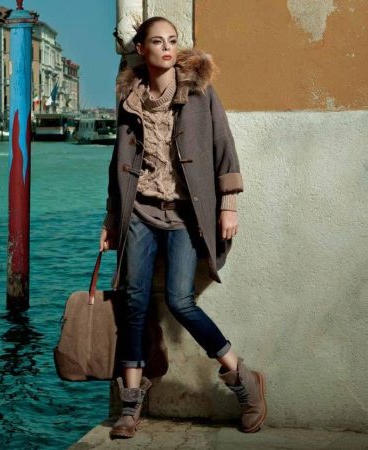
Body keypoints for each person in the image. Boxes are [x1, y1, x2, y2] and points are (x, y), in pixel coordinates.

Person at [99, 16, 267, 439]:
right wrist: (111, 220)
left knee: (179, 301)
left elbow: (224, 147)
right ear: (142, 49)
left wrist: (228, 206)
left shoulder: (197, 92)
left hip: (185, 215)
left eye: (172, 41)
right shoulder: (129, 99)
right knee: (134, 302)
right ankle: (131, 404)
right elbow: (117, 163)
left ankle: (242, 379)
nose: (167, 48)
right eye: (158, 42)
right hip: (140, 211)